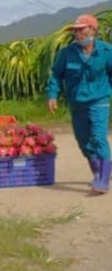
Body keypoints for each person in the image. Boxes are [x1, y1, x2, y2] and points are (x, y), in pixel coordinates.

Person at [46, 14, 112, 194]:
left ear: (92, 30)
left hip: (100, 101)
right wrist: (52, 95)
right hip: (77, 103)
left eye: (81, 29)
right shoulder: (66, 53)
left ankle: (104, 180)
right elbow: (56, 75)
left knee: (99, 138)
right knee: (84, 142)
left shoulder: (107, 52)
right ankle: (98, 172)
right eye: (75, 30)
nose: (77, 33)